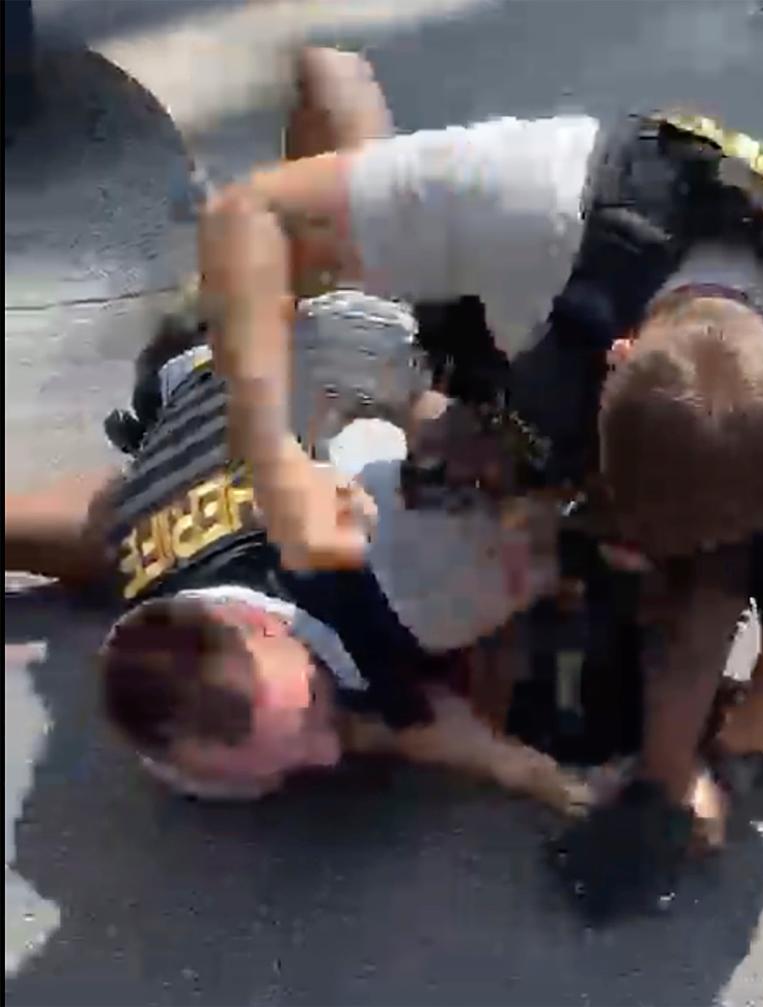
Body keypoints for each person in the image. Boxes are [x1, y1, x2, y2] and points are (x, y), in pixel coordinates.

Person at [201, 47, 763, 919]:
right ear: (619, 357)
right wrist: (275, 459)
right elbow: (248, 216)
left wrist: (720, 763)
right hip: (549, 340)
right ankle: (336, 101)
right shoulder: (539, 198)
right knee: (549, 672)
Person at [1, 50, 587, 814]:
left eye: (313, 715)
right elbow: (401, 725)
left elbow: (380, 368)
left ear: (254, 625)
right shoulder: (170, 692)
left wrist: (426, 409)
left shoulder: (348, 533)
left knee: (338, 101)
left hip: (274, 352)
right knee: (121, 527)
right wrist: (531, 774)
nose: (330, 747)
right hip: (173, 465)